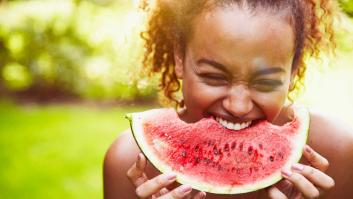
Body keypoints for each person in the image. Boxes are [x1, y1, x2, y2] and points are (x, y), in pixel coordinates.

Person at [103, 0, 353, 198]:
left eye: (265, 83)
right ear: (179, 57)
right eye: (214, 77)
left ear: (293, 70)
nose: (238, 106)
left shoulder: (338, 153)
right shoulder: (129, 163)